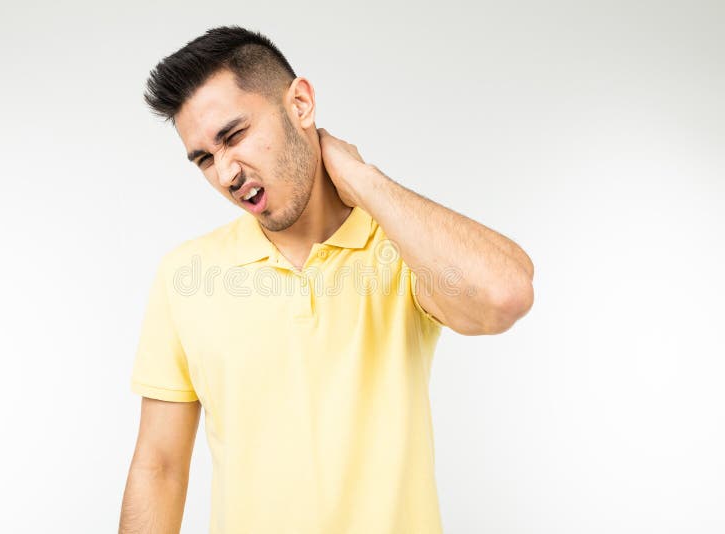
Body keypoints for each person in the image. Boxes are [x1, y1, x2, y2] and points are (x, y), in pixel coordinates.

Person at [119, 25, 534, 534]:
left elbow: (505, 294)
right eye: (205, 158)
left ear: (300, 104)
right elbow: (159, 467)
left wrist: (361, 178)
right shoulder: (185, 275)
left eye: (234, 136)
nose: (226, 173)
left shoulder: (401, 250)